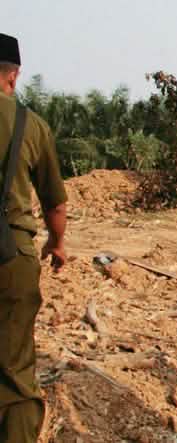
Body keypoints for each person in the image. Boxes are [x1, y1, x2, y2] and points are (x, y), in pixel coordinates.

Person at [0, 33, 68, 443]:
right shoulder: (32, 125)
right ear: (14, 75)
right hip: (12, 254)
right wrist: (57, 244)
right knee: (15, 370)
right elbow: (54, 204)